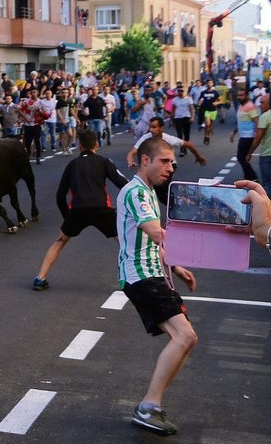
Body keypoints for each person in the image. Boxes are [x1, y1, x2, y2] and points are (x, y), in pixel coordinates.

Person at [116, 136, 198, 436]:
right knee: (185, 336)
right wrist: (200, 239)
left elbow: (155, 239)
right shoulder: (137, 192)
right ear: (145, 160)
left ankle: (151, 405)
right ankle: (149, 406)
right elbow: (154, 230)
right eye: (164, 161)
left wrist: (175, 265)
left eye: (173, 162)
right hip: (141, 275)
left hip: (153, 273)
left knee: (187, 339)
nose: (171, 166)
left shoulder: (148, 192)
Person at [32, 130, 128, 290]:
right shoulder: (104, 162)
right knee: (124, 242)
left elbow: (60, 195)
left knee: (60, 241)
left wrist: (67, 217)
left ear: (80, 146)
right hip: (101, 208)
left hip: (78, 210)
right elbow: (123, 183)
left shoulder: (72, 165)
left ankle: (40, 278)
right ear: (97, 145)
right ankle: (129, 279)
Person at [127, 117, 206, 204]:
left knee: (160, 189)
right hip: (155, 166)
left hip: (170, 165)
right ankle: (182, 201)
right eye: (150, 127)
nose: (151, 130)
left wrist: (198, 157)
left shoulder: (168, 139)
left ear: (161, 128)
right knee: (162, 191)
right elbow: (132, 152)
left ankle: (179, 203)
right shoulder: (146, 138)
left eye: (154, 127)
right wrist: (130, 161)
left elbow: (188, 144)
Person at [229, 88, 259, 181]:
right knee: (243, 157)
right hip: (243, 136)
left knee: (241, 157)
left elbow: (256, 121)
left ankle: (252, 177)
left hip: (248, 136)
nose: (239, 97)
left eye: (241, 95)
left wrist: (256, 135)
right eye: (238, 95)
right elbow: (240, 122)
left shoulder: (250, 106)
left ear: (247, 96)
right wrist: (233, 132)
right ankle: (249, 177)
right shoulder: (241, 106)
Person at [247, 94, 271, 195]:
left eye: (262, 102)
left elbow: (258, 137)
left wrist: (250, 153)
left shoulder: (265, 116)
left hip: (267, 155)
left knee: (267, 184)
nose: (260, 105)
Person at [170, 87, 195, 157]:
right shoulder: (175, 100)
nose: (180, 92)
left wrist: (192, 117)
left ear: (184, 91)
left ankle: (185, 148)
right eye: (179, 91)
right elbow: (173, 110)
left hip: (186, 117)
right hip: (178, 118)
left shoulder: (188, 99)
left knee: (186, 135)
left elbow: (192, 109)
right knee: (179, 135)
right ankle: (182, 150)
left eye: (182, 91)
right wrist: (171, 120)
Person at [198, 79, 219, 145]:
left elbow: (220, 100)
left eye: (210, 83)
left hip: (213, 110)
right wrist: (199, 103)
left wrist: (217, 103)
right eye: (208, 83)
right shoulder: (203, 92)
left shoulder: (215, 92)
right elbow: (200, 99)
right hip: (206, 110)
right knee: (207, 124)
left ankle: (208, 137)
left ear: (212, 84)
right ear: (206, 84)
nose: (209, 84)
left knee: (210, 126)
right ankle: (206, 136)